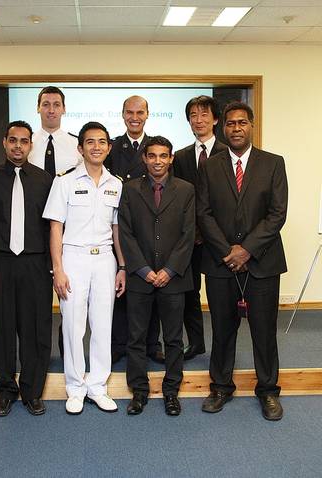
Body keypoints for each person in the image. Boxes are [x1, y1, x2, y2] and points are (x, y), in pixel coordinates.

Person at [197, 102, 288, 421]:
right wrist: (228, 251)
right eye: (231, 124)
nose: (236, 128)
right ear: (223, 127)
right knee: (222, 329)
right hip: (221, 263)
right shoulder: (210, 166)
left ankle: (268, 391)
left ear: (252, 125)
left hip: (263, 262)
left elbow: (277, 213)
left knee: (264, 331)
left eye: (242, 123)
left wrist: (246, 249)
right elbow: (203, 213)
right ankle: (220, 387)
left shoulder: (273, 163)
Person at [0, 120, 53, 417]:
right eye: (13, 140)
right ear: (4, 142)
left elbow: (53, 228)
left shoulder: (45, 180)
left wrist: (55, 267)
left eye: (24, 141)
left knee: (36, 330)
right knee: (1, 329)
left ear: (31, 144)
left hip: (35, 264)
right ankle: (5, 390)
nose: (18, 146)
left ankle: (32, 392)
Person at [43, 121, 126, 415]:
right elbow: (56, 228)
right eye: (90, 142)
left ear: (109, 147)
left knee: (103, 326)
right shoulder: (64, 182)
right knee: (73, 326)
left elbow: (117, 229)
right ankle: (76, 387)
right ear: (80, 148)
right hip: (73, 259)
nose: (96, 147)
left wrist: (122, 266)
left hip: (105, 260)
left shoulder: (116, 184)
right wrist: (58, 269)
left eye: (102, 142)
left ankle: (98, 387)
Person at [118, 136, 195, 416]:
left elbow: (189, 234)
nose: (158, 161)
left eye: (163, 156)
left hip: (174, 278)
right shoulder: (130, 189)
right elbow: (124, 232)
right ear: (144, 159)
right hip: (141, 277)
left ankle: (171, 392)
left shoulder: (186, 190)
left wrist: (169, 270)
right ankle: (138, 391)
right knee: (136, 337)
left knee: (173, 338)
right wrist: (144, 270)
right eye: (152, 156)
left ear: (171, 158)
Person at [104, 95, 164, 365]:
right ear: (123, 114)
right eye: (130, 112)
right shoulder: (112, 148)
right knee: (120, 288)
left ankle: (152, 343)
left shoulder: (155, 149)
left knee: (151, 289)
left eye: (140, 112)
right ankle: (119, 343)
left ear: (148, 114)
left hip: (149, 227)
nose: (135, 116)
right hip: (118, 226)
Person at [29, 85, 82, 358]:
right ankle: (39, 352)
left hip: (68, 227)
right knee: (38, 295)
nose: (51, 109)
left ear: (63, 109)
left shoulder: (76, 145)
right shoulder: (27, 143)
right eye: (46, 104)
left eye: (56, 104)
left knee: (68, 291)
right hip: (33, 227)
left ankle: (67, 351)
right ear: (38, 107)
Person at [173, 95, 226, 361]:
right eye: (193, 115)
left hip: (221, 239)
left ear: (215, 119)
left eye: (204, 114)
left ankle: (222, 345)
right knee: (190, 293)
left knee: (220, 296)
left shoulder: (229, 152)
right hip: (191, 239)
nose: (199, 120)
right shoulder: (181, 157)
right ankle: (195, 343)